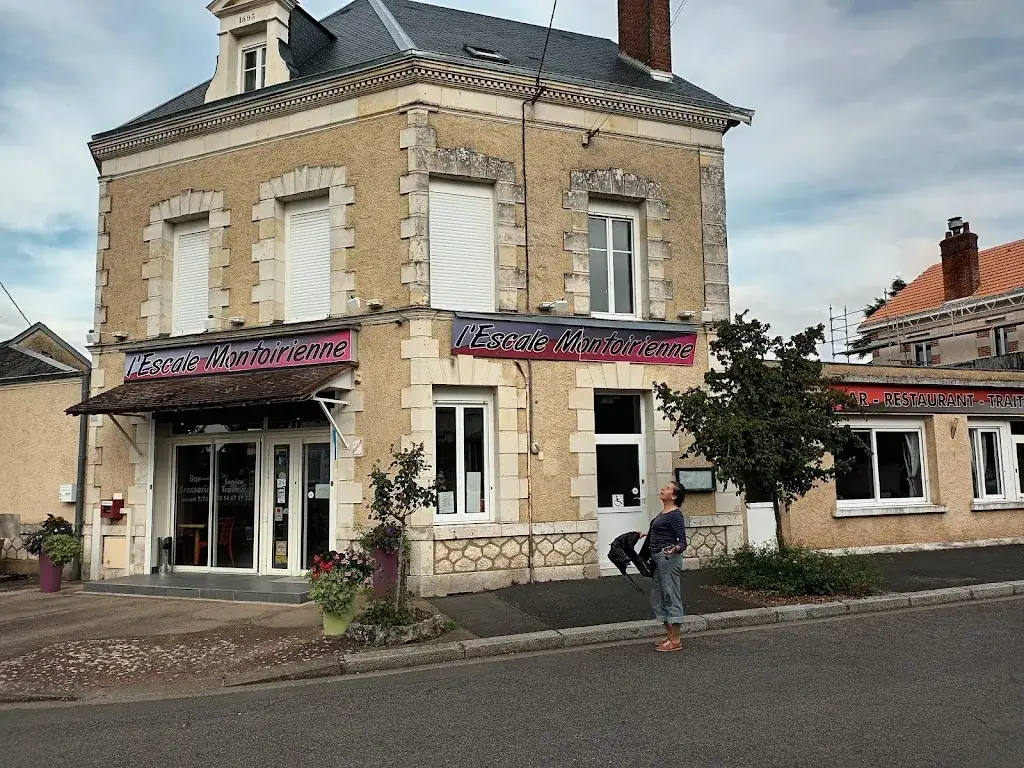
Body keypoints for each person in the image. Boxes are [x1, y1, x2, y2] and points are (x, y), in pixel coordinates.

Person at [640, 481, 688, 652]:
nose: (662, 489)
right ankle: (670, 634)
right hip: (658, 558)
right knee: (657, 596)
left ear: (674, 496)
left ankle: (675, 640)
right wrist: (645, 534)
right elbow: (660, 532)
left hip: (668, 558)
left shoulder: (675, 514)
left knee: (670, 595)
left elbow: (683, 541)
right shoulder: (663, 513)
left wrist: (675, 549)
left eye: (667, 488)